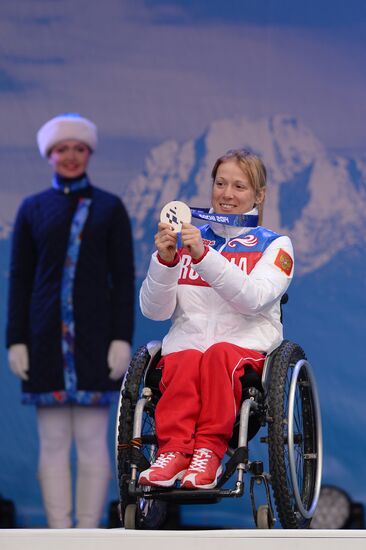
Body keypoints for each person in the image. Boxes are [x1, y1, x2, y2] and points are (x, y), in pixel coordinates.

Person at [6, 113, 135, 527]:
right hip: (44, 342)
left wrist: (121, 338)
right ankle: (59, 531)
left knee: (94, 441)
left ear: (89, 153)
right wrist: (16, 340)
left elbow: (123, 277)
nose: (71, 157)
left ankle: (88, 531)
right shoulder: (31, 210)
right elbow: (20, 279)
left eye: (79, 149)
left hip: (95, 342)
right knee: (54, 440)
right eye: (63, 149)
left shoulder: (110, 209)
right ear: (50, 154)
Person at [138, 149, 294, 489]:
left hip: (244, 347)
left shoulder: (275, 245)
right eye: (220, 183)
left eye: (239, 186)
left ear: (259, 194)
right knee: (183, 356)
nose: (227, 194)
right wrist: (165, 261)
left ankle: (209, 451)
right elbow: (155, 311)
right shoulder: (186, 237)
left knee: (218, 355)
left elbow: (252, 300)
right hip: (189, 342)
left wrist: (203, 257)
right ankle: (174, 453)